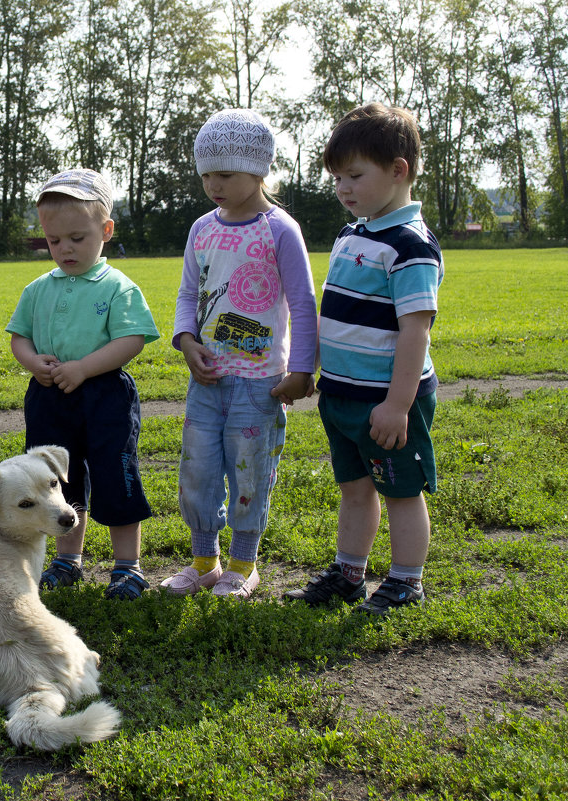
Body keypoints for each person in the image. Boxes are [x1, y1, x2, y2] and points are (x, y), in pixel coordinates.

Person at [284, 102, 444, 615]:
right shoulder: (353, 234)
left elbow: (414, 332)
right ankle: (349, 574)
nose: (343, 189)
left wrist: (398, 405)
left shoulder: (409, 245)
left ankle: (405, 582)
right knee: (355, 489)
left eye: (354, 175)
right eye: (337, 179)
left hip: (388, 400)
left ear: (399, 171)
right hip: (343, 394)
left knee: (401, 491)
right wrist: (312, 371)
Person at [160, 109, 319, 600]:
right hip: (206, 381)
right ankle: (204, 562)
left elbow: (302, 303)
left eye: (224, 174)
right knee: (199, 469)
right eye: (206, 174)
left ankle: (243, 565)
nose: (213, 185)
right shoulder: (201, 229)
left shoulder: (280, 230)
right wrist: (187, 342)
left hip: (259, 382)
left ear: (258, 169)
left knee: (250, 470)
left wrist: (302, 371)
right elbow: (190, 294)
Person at [7, 168, 160, 600]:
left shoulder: (118, 287)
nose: (65, 249)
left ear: (106, 230)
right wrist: (33, 362)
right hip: (49, 396)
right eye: (55, 241)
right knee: (56, 481)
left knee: (116, 474)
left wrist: (84, 368)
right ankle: (67, 560)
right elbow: (19, 336)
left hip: (104, 395)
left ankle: (127, 567)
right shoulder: (38, 288)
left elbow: (131, 340)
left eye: (77, 237)